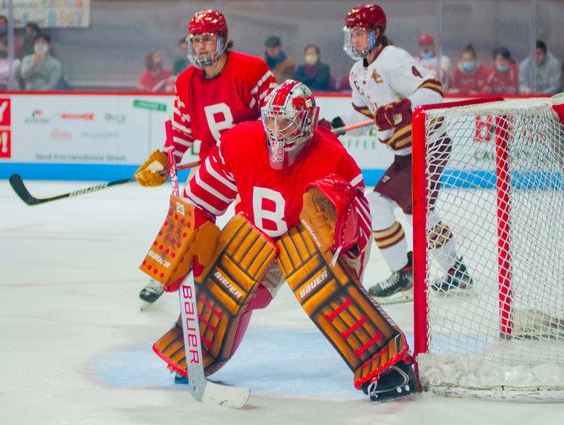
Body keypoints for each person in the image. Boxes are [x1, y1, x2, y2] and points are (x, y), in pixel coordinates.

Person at [140, 80, 416, 402]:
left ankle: (386, 364)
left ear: (305, 125)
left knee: (326, 287)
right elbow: (197, 202)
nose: (276, 129)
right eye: (271, 119)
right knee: (225, 274)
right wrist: (179, 245)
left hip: (308, 237)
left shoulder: (332, 158)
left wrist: (345, 245)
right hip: (258, 231)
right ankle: (198, 352)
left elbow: (360, 223)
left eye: (285, 122)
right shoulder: (239, 141)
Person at [134, 9, 277, 305]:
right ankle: (164, 271)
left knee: (254, 224)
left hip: (257, 161)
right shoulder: (186, 81)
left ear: (223, 40)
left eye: (208, 40)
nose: (201, 47)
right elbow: (182, 130)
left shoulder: (252, 69)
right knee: (188, 209)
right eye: (196, 41)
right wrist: (165, 157)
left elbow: (276, 114)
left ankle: (245, 280)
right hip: (219, 163)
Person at [339, 4, 472, 303]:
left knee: (396, 207)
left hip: (429, 145)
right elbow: (361, 115)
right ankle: (450, 270)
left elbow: (433, 91)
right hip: (405, 154)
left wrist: (403, 108)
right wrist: (334, 124)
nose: (355, 40)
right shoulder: (357, 73)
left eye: (360, 34)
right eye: (352, 34)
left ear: (376, 33)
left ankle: (407, 272)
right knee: (405, 211)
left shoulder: (393, 59)